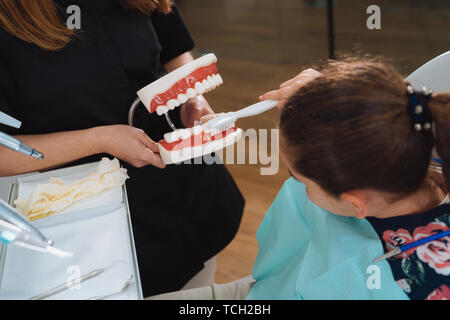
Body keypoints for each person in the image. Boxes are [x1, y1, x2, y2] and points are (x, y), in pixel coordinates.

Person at [150, 58, 450, 300]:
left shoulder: (410, 285)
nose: (296, 185)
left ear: (355, 204)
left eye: (301, 180)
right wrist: (328, 102)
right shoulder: (413, 150)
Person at [0, 0, 244, 297]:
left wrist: (193, 97)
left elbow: (173, 47)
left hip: (190, 195)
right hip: (95, 217)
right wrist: (100, 139)